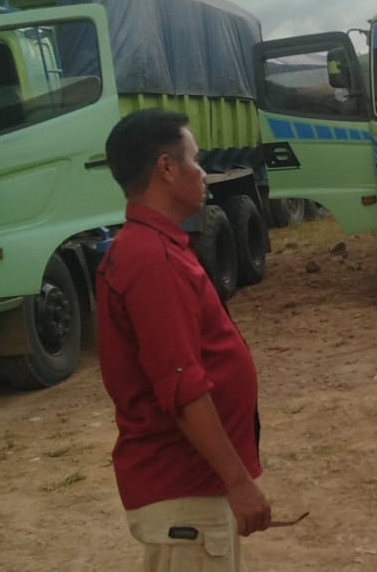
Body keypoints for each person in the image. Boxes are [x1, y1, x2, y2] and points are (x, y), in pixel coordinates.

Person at [96, 110, 269, 571]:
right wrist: (238, 482)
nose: (204, 172)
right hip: (184, 495)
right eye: (195, 159)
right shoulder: (152, 260)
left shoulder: (155, 247)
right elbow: (182, 385)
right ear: (167, 168)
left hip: (192, 491)